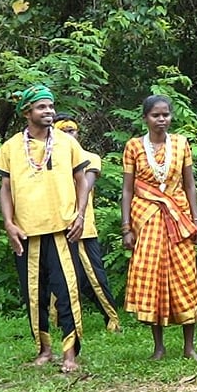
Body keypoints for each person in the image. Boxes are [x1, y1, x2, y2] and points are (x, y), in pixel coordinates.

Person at [0, 85, 91, 373]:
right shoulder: (11, 147)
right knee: (33, 294)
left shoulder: (67, 143)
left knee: (67, 291)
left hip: (63, 227)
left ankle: (70, 353)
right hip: (27, 232)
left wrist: (80, 215)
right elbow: (5, 188)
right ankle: (44, 349)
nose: (48, 111)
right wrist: (9, 224)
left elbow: (81, 180)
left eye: (50, 106)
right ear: (27, 112)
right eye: (41, 107)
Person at [121, 95, 197, 361]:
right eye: (156, 115)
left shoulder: (181, 144)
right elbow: (127, 188)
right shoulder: (134, 146)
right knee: (153, 279)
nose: (161, 120)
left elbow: (190, 184)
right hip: (145, 218)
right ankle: (158, 347)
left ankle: (189, 347)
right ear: (145, 118)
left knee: (185, 276)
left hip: (179, 219)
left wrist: (196, 220)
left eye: (166, 115)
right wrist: (126, 227)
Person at [53, 114, 121, 333]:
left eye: (72, 130)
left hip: (83, 226)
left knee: (95, 275)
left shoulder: (90, 158)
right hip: (56, 225)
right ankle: (61, 321)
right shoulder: (50, 161)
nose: (69, 135)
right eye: (63, 131)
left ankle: (111, 318)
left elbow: (85, 185)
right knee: (58, 276)